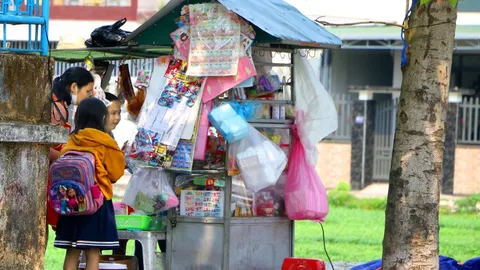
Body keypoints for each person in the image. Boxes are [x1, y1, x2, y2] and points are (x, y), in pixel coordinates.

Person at [54, 98, 125, 270]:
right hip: (96, 203)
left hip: (70, 203)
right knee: (93, 252)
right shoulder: (105, 142)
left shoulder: (72, 140)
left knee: (71, 252)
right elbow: (116, 173)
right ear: (101, 118)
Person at [47, 67, 94, 232]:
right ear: (74, 87)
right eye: (88, 91)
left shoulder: (59, 104)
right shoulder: (57, 108)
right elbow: (44, 148)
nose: (90, 96)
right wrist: (65, 157)